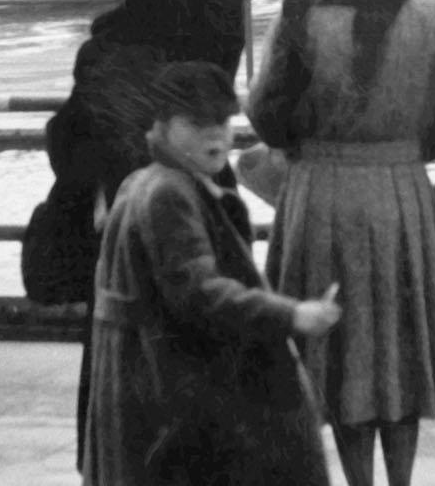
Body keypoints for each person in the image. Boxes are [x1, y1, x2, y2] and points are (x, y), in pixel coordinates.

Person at [250, 0, 435, 486]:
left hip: (321, 193)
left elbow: (261, 110)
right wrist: (422, 143)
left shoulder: (300, 19)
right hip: (401, 192)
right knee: (400, 352)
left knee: (340, 353)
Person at [45, 0, 246, 466]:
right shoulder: (209, 38)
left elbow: (69, 150)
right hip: (205, 220)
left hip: (127, 229)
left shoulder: (100, 54)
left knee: (123, 369)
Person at [84, 60, 340, 486]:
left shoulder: (143, 181)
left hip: (142, 382)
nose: (216, 135)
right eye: (197, 123)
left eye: (222, 121)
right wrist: (291, 314)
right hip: (170, 391)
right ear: (162, 125)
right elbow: (199, 292)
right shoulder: (169, 193)